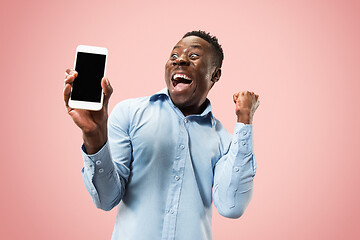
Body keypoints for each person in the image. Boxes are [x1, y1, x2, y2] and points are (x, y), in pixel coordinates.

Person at [63, 30, 260, 240]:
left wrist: (244, 121)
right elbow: (106, 199)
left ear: (215, 75)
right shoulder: (129, 113)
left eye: (193, 56)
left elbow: (231, 206)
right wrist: (94, 136)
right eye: (174, 56)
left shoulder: (226, 141)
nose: (180, 60)